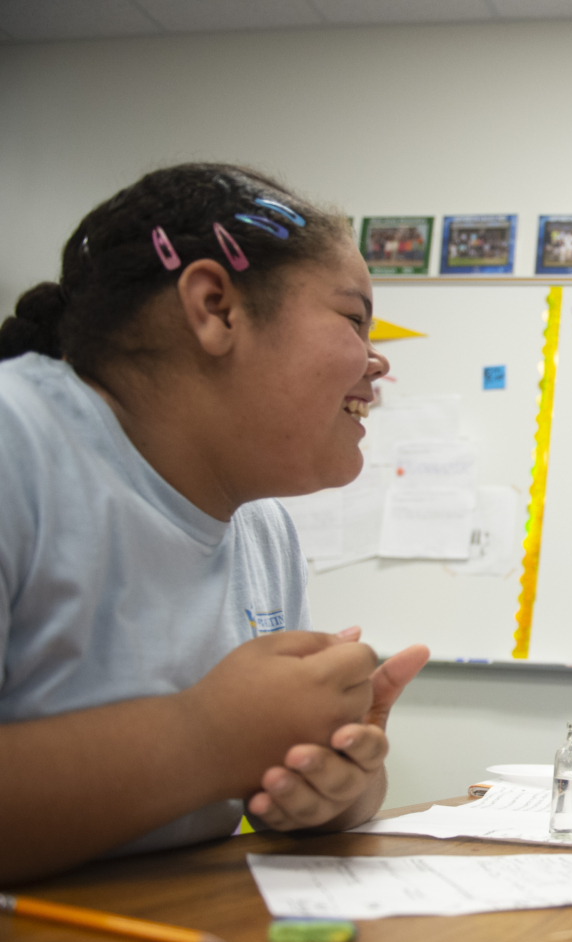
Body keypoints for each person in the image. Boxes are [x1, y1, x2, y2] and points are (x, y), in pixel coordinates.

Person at [0, 163, 429, 885]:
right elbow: (220, 745)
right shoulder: (18, 442)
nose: (376, 360)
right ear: (215, 306)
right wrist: (206, 740)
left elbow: (268, 778)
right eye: (355, 319)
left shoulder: (262, 527)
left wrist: (337, 786)